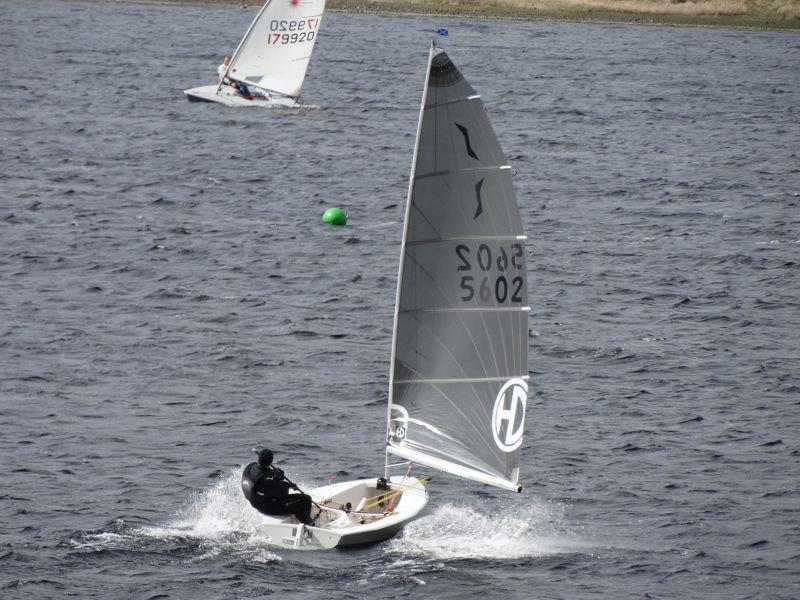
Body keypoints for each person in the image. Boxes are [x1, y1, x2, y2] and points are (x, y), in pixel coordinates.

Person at [241, 448, 314, 525]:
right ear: (271, 461)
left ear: (259, 459)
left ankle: (299, 519)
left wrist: (275, 474)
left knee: (296, 507)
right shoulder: (267, 481)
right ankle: (309, 524)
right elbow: (283, 494)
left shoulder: (250, 467)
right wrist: (284, 481)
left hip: (256, 502)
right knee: (306, 499)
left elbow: (263, 473)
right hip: (267, 508)